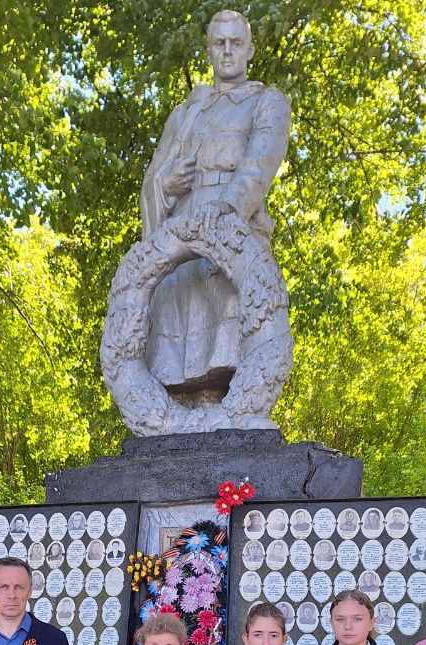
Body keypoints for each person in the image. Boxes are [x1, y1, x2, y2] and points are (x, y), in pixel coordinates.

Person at [139, 9, 290, 393]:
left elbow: (260, 163)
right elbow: (155, 180)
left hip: (231, 230)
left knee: (226, 348)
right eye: (219, 44)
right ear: (208, 51)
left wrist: (224, 213)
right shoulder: (186, 113)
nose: (227, 52)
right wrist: (166, 185)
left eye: (236, 43)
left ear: (250, 49)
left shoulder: (267, 103)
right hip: (182, 236)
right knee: (181, 364)